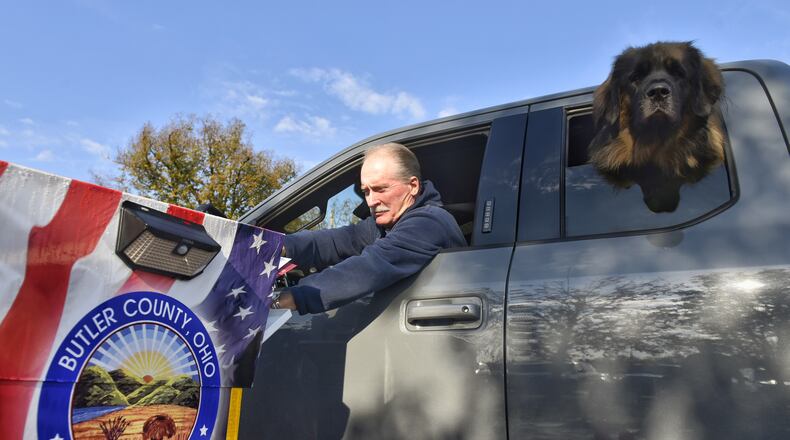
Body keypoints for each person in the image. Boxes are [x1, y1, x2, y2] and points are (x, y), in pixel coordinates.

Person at [272, 142, 466, 314]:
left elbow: (370, 267)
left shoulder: (429, 222)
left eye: (381, 189)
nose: (372, 201)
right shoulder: (385, 225)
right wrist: (273, 246)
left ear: (413, 186)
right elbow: (336, 241)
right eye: (366, 191)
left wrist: (281, 300)